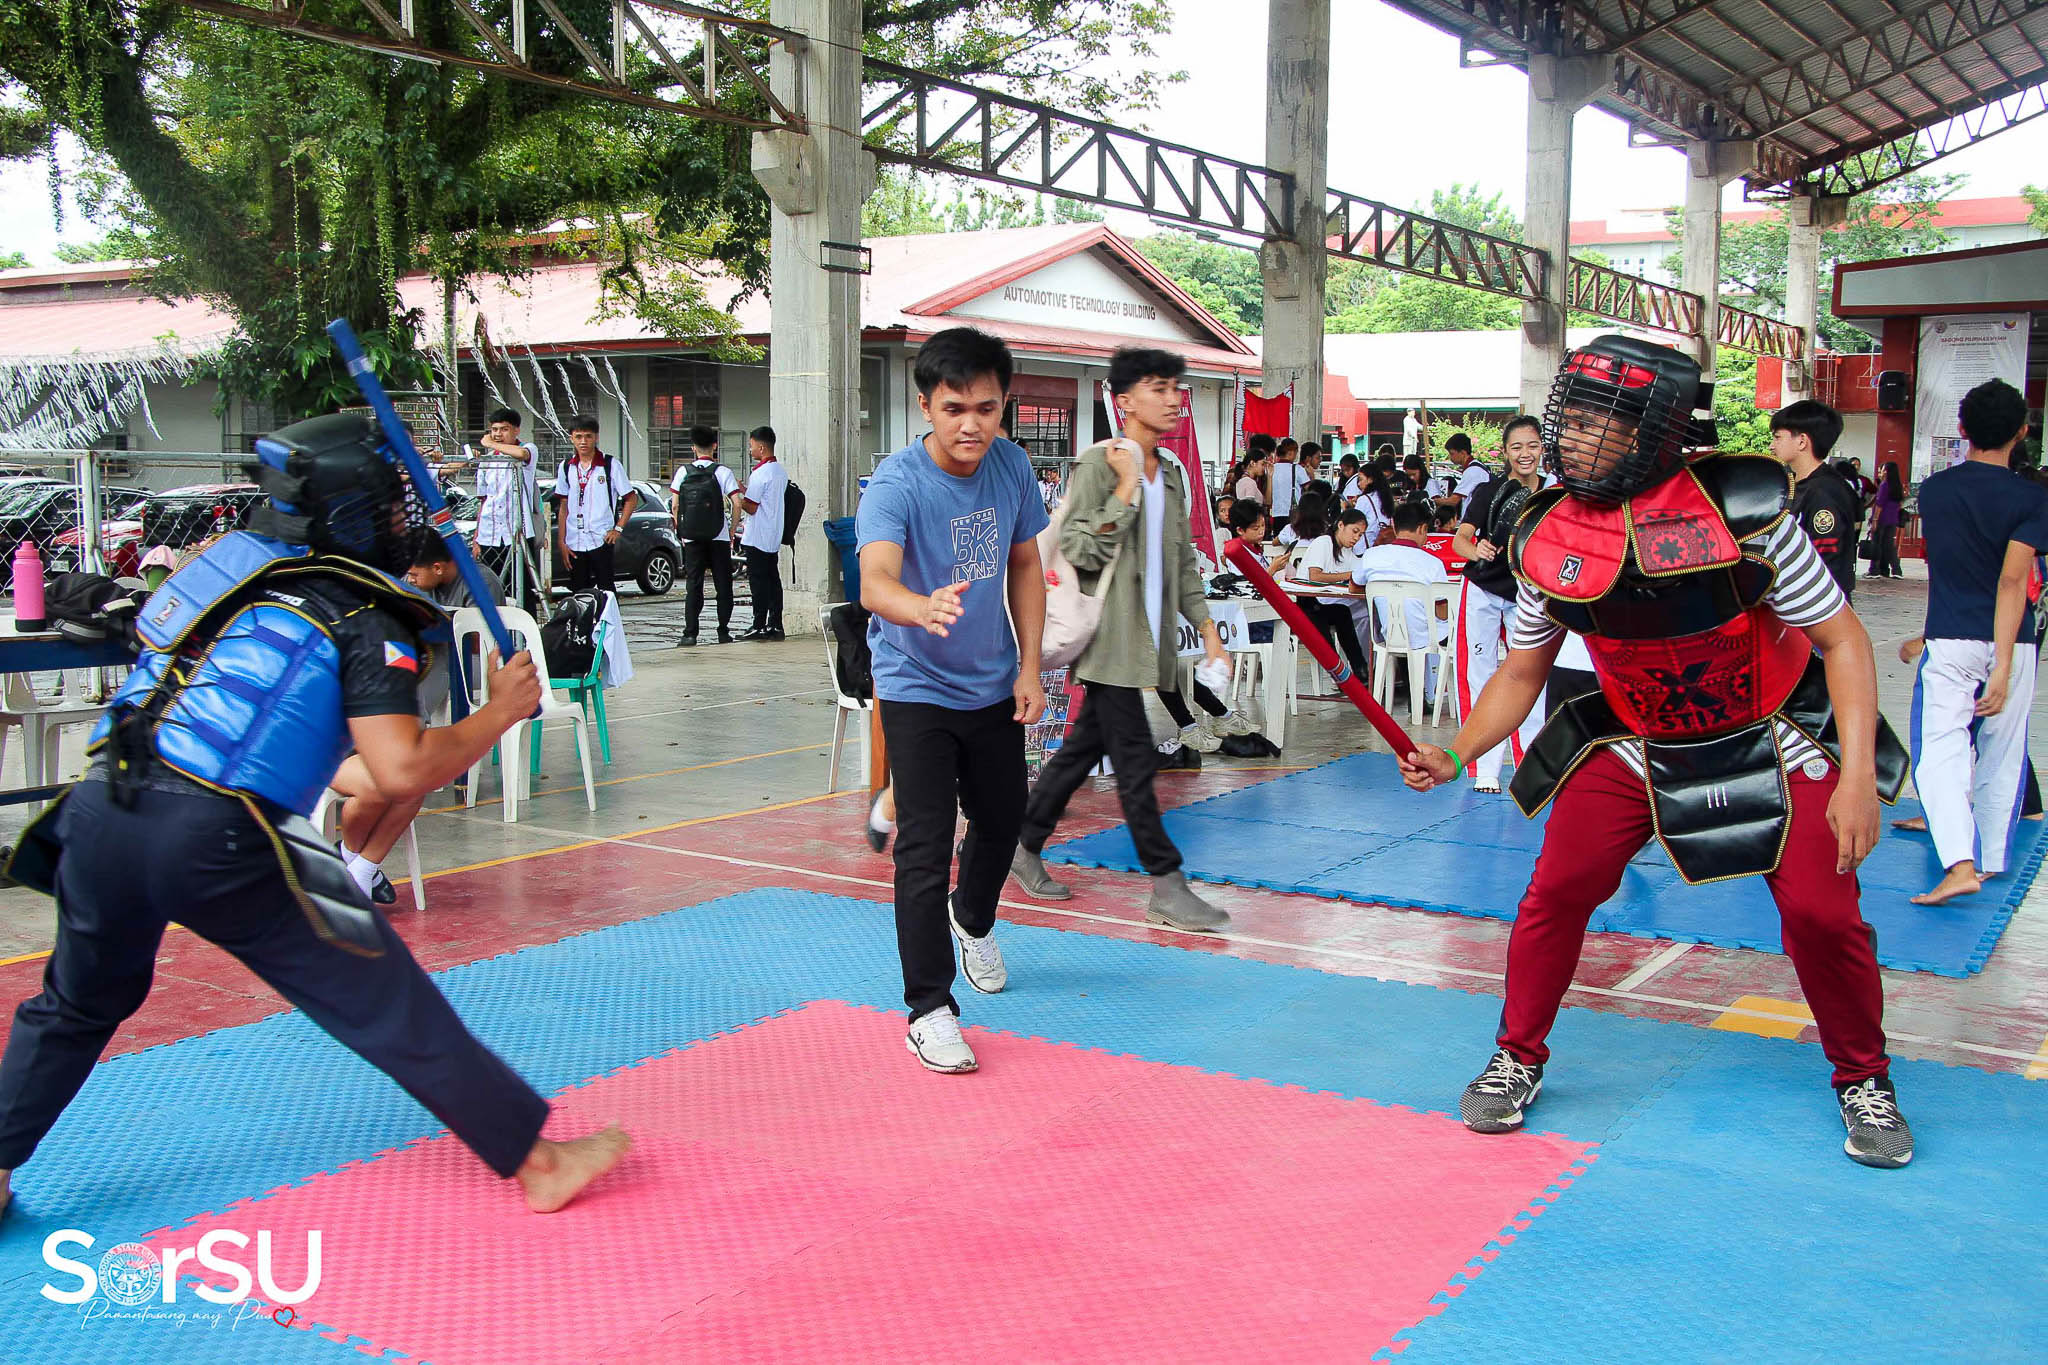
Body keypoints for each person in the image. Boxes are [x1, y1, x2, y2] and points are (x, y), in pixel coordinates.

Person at [0, 413, 629, 1219]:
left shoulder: (228, 582)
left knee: (76, 1002)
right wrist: (500, 711)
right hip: (217, 832)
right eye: (391, 504)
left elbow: (278, 729)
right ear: (357, 513)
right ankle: (539, 1162)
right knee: (380, 991)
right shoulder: (361, 615)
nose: (402, 518)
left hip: (102, 806)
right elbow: (402, 768)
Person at [1399, 334, 1914, 1170]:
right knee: (1556, 890)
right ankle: (1517, 1054)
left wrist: (1857, 775)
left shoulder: (1746, 511)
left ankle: (1865, 1076)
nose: (1567, 438)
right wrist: (1455, 755)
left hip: (1776, 732)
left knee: (1824, 915)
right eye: (1570, 416)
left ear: (1649, 432)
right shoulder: (1547, 534)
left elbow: (1844, 640)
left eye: (1593, 421)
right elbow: (1523, 670)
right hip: (1634, 738)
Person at [857, 327, 1047, 1075]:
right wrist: (920, 607)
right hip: (916, 684)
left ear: (1004, 405)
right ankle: (929, 1009)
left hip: (992, 681)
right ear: (925, 406)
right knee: (926, 844)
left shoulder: (1012, 466)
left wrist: (1029, 666)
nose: (972, 424)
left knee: (1003, 819)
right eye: (954, 408)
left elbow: (1026, 564)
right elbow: (875, 582)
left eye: (987, 408)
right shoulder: (897, 483)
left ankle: (973, 918)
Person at [1012, 347, 1233, 933]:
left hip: (1149, 645)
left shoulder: (1175, 475)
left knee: (1081, 751)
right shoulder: (1099, 464)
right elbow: (1081, 550)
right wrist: (1126, 488)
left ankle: (1023, 843)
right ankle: (1168, 887)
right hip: (1108, 641)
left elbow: (1183, 563)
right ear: (1126, 400)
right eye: (1158, 388)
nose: (1172, 399)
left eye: (1175, 388)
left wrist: (1209, 631)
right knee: (1135, 767)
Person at [1908, 378, 2044, 907]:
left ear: (1962, 429)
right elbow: (2012, 582)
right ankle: (1988, 860)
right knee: (2002, 751)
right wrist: (2003, 665)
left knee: (1941, 750)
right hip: (2016, 641)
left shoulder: (1936, 491)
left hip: (1952, 637)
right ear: (2022, 432)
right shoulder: (2033, 498)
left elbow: (1954, 570)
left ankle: (1959, 864)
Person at [1453, 414, 1547, 793]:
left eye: (1532, 446)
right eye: (1517, 447)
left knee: (1532, 677)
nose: (1525, 454)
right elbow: (1460, 540)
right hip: (1484, 590)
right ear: (1505, 452)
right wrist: (1476, 549)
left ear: (1542, 449)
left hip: (1531, 594)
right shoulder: (1488, 491)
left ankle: (1530, 768)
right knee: (1480, 674)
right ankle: (1484, 768)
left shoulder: (1555, 493)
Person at [1349, 500, 1452, 702]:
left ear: (1394, 526)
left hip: (1389, 635)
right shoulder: (1433, 564)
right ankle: (1431, 695)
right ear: (1422, 528)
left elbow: (1354, 587)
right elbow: (1442, 613)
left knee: (1409, 624)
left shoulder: (1371, 556)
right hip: (1426, 640)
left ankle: (1415, 694)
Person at [445, 406, 538, 602]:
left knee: (522, 591)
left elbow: (522, 454)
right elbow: (483, 500)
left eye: (504, 429)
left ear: (516, 430)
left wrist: (489, 443)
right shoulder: (487, 460)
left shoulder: (528, 449)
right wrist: (477, 537)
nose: (498, 434)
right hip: (490, 533)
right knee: (492, 588)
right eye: (494, 430)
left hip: (517, 532)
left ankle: (524, 622)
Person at [1772, 399, 1859, 601]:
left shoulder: (1824, 491)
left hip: (1818, 603)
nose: (1772, 445)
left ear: (1802, 441)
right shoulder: (1799, 486)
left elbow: (1825, 559)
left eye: (1777, 437)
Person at [669, 424, 743, 646]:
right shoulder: (723, 472)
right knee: (723, 584)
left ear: (693, 447)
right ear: (715, 446)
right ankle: (723, 631)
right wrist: (731, 530)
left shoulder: (683, 472)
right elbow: (737, 503)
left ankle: (690, 633)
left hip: (692, 537)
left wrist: (682, 530)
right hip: (718, 536)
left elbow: (675, 505)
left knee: (694, 584)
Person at [551, 414, 635, 595]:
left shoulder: (610, 464)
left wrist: (618, 529)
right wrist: (561, 541)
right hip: (574, 539)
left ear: (596, 437)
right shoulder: (566, 467)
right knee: (579, 591)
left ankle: (609, 615)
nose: (583, 441)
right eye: (578, 436)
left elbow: (631, 498)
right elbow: (563, 506)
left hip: (601, 537)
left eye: (588, 436)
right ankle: (583, 616)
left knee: (606, 590)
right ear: (571, 438)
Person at [1295, 505, 1375, 689]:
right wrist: (1349, 575)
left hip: (1324, 602)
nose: (1356, 538)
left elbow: (1360, 569)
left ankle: (1360, 670)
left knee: (1343, 613)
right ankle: (1338, 673)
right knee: (1325, 622)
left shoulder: (1347, 552)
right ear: (1341, 525)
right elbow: (1315, 576)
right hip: (1306, 602)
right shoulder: (1323, 542)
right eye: (1354, 531)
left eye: (1361, 535)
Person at [738, 425, 789, 641]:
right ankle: (775, 624)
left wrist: (735, 497)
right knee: (773, 581)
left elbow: (751, 507)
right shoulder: (779, 471)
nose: (750, 450)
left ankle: (758, 624)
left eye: (751, 446)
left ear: (761, 447)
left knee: (758, 583)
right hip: (773, 534)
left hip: (757, 536)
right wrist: (745, 490)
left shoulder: (760, 473)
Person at [1435, 431, 1490, 526]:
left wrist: (1433, 501)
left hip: (1475, 523)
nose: (1450, 457)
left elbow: (1453, 501)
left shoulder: (1472, 471)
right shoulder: (1477, 466)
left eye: (1452, 453)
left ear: (1463, 453)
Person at [1870, 462, 1905, 578]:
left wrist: (1875, 519)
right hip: (1893, 519)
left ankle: (1874, 570)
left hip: (1882, 518)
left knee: (1876, 544)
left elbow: (1879, 504)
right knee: (1889, 545)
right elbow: (1900, 503)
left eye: (1884, 470)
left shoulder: (1884, 485)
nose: (1882, 472)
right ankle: (1896, 570)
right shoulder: (1898, 486)